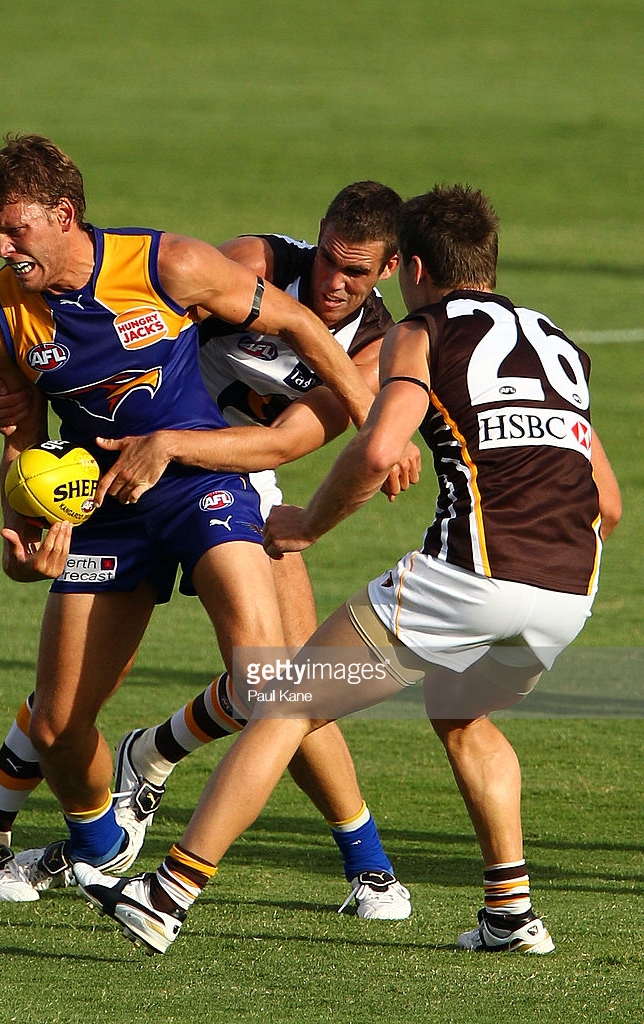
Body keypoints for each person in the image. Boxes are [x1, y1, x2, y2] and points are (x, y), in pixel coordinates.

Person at [75, 183, 622, 956]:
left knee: (287, 703)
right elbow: (609, 501)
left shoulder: (420, 331)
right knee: (463, 716)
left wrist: (306, 523)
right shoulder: (561, 342)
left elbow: (374, 449)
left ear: (416, 266)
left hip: (468, 577)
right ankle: (510, 913)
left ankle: (166, 894)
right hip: (569, 590)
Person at [0, 135, 412, 919]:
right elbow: (21, 437)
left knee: (274, 677)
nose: (1, 246)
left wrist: (376, 421)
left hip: (217, 476)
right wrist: (24, 532)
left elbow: (281, 438)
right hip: (107, 503)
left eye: (15, 229)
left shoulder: (358, 342)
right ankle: (85, 842)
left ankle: (330, 853)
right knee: (61, 721)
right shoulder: (0, 317)